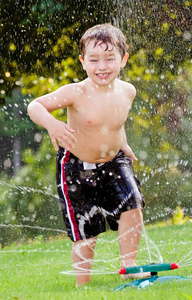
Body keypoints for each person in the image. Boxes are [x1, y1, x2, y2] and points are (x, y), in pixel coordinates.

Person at [27, 23, 148, 286]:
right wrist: (53, 124)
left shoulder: (128, 91)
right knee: (86, 228)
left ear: (123, 59)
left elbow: (116, 121)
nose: (101, 66)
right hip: (76, 166)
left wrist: (123, 144)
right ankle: (83, 286)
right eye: (93, 59)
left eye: (109, 58)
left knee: (133, 204)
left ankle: (130, 265)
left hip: (114, 161)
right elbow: (35, 106)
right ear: (83, 62)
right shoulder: (77, 92)